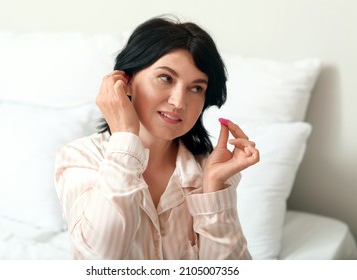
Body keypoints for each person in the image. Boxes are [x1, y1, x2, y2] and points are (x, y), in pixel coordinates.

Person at [55, 15, 259, 260]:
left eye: (196, 88)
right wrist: (125, 137)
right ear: (126, 82)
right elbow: (100, 258)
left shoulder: (209, 168)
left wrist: (213, 188)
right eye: (166, 78)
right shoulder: (81, 157)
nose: (179, 102)